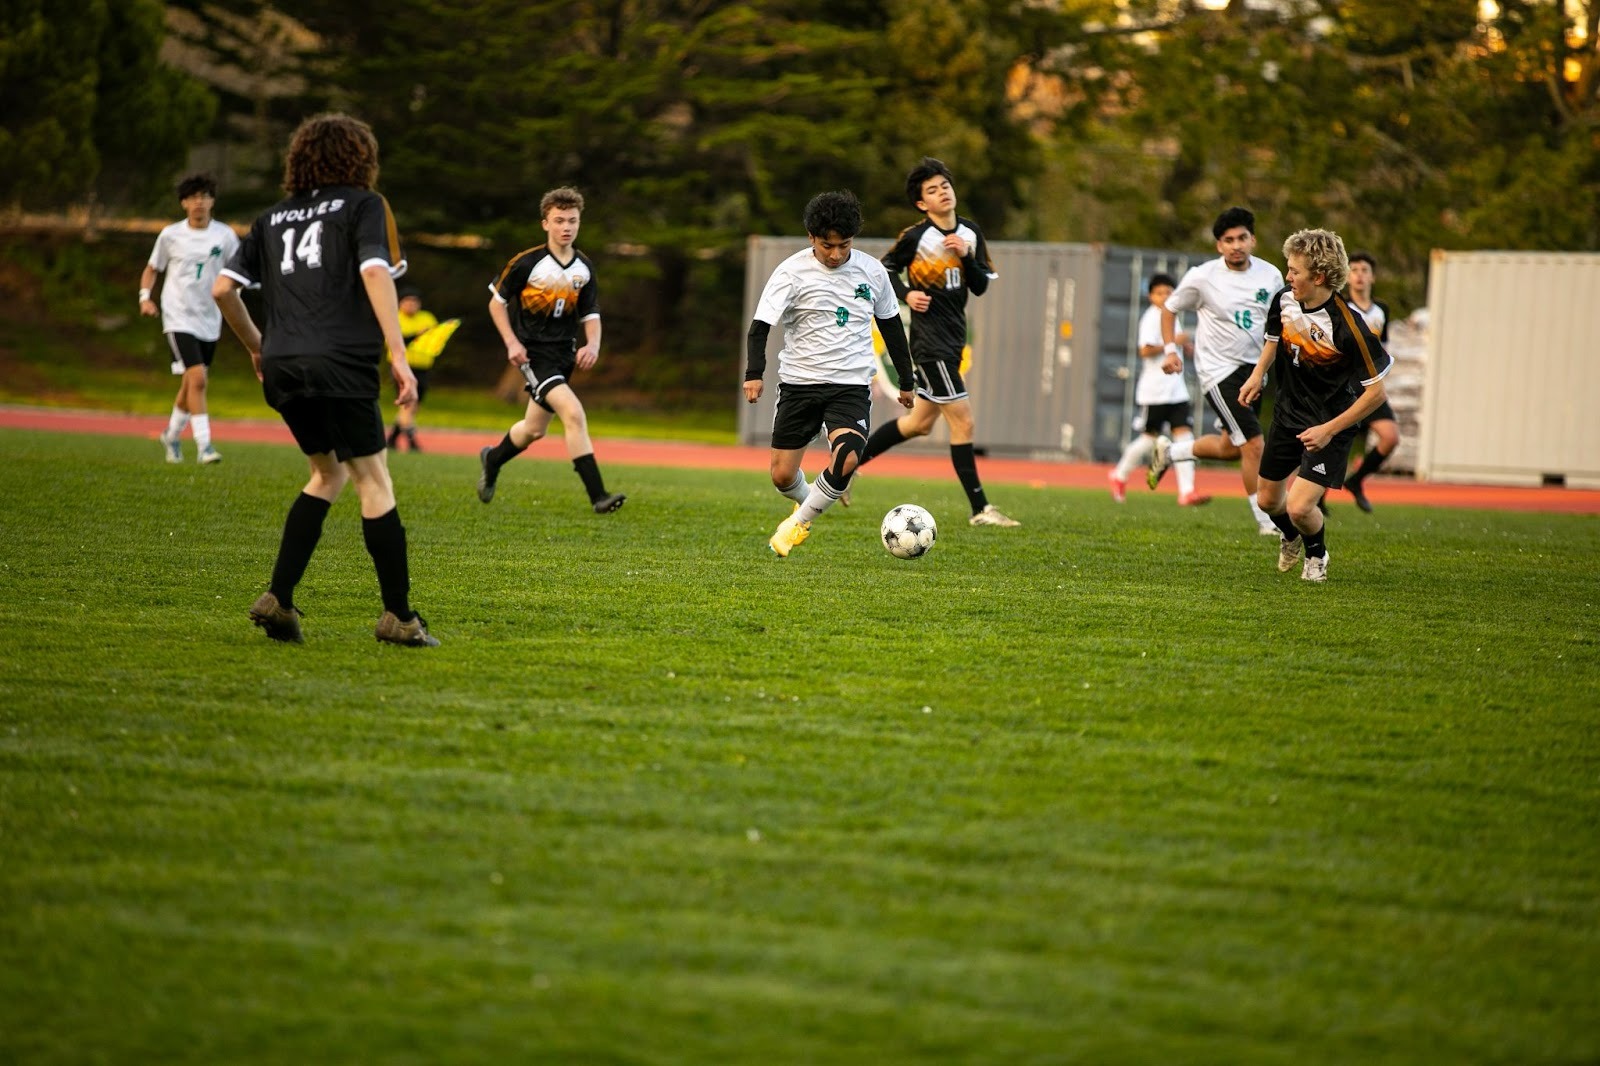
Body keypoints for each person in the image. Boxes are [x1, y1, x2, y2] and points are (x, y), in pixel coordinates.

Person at [213, 112, 438, 646]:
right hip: (341, 362)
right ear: (360, 158)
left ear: (300, 159)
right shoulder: (365, 206)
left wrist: (257, 347)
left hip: (284, 362)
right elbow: (373, 271)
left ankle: (279, 598)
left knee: (326, 474)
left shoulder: (270, 219)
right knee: (374, 481)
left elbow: (224, 289)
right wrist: (400, 356)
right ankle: (400, 619)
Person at [744, 190, 915, 557]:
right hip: (799, 384)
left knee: (849, 456)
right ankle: (818, 497)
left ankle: (799, 523)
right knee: (782, 476)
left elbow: (891, 326)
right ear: (811, 238)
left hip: (850, 385)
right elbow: (760, 326)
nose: (836, 254)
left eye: (844, 245)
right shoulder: (789, 272)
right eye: (827, 246)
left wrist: (906, 379)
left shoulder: (872, 272)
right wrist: (754, 372)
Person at [855, 158, 1019, 526]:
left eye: (945, 185)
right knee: (965, 423)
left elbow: (979, 286)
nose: (942, 192)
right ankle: (981, 509)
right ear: (921, 203)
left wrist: (967, 255)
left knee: (918, 424)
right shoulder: (916, 237)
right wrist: (906, 295)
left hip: (953, 340)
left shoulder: (970, 233)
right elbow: (883, 269)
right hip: (930, 345)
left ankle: (845, 469)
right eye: (932, 190)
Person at [1239, 228, 1392, 582]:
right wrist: (1257, 374)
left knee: (1299, 506)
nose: (1288, 276)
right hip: (1288, 414)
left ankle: (1317, 553)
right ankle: (1290, 538)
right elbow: (1273, 338)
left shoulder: (1350, 328)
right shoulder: (1284, 299)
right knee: (1267, 502)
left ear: (1319, 276)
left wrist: (1328, 430)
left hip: (1330, 424)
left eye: (1294, 271)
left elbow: (1376, 394)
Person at [475, 187, 624, 514]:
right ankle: (598, 495)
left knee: (533, 430)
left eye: (572, 220)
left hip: (563, 355)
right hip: (533, 355)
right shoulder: (527, 263)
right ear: (545, 224)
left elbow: (591, 314)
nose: (566, 227)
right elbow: (496, 304)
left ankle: (493, 458)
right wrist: (512, 342)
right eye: (559, 220)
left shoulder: (584, 267)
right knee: (573, 412)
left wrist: (594, 343)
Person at [1145, 206, 1285, 535]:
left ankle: (1171, 452)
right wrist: (1170, 351)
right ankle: (1266, 523)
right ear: (1218, 245)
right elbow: (1169, 309)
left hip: (1256, 370)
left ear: (1253, 240)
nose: (1236, 245)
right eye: (1228, 240)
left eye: (1242, 238)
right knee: (1253, 445)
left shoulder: (1271, 275)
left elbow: (1280, 321)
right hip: (1219, 372)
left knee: (1230, 447)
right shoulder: (1202, 276)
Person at [140, 173, 240, 465]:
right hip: (178, 315)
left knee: (190, 383)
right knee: (198, 379)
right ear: (184, 203)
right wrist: (145, 297)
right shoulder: (171, 235)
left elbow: (238, 272)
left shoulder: (225, 236)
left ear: (212, 201)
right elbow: (151, 269)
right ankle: (205, 445)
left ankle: (171, 435)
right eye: (193, 197)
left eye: (205, 196)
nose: (199, 202)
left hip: (210, 318)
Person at [1108, 272, 1210, 506]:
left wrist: (1186, 347)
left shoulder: (1173, 316)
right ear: (1150, 296)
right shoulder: (1151, 317)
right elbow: (1144, 350)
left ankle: (1187, 491)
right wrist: (1173, 340)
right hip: (1154, 391)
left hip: (1177, 390)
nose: (1164, 296)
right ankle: (1119, 474)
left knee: (1184, 438)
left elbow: (1175, 344)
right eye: (1159, 293)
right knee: (1147, 440)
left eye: (1168, 292)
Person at [1339, 251, 1402, 513]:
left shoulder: (1381, 310)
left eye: (1364, 270)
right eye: (1353, 270)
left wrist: (1380, 380)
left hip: (1371, 386)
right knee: (1334, 443)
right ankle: (1315, 498)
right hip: (1346, 387)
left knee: (1390, 437)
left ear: (1372, 276)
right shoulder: (1340, 306)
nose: (1359, 275)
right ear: (1346, 276)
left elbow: (1383, 348)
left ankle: (1356, 481)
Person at [385, 286, 458, 452]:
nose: (411, 304)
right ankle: (412, 441)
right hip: (402, 367)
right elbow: (394, 340)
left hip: (423, 368)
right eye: (407, 301)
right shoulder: (394, 318)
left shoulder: (427, 317)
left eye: (414, 301)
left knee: (414, 406)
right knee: (408, 404)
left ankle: (392, 439)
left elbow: (434, 338)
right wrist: (417, 335)